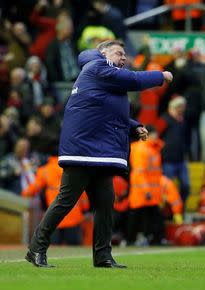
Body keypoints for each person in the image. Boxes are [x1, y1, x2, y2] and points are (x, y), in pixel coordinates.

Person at [25, 40, 173, 268]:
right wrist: (161, 75)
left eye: (125, 54)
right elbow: (134, 80)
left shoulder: (101, 73)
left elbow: (107, 110)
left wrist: (133, 126)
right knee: (66, 202)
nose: (123, 58)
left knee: (105, 203)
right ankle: (36, 248)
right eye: (119, 53)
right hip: (83, 151)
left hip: (97, 152)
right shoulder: (98, 68)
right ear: (103, 53)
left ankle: (102, 256)